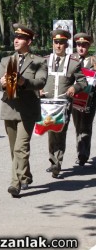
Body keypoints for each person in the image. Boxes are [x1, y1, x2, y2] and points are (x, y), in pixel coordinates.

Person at [0, 24, 47, 197]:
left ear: (29, 41)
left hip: (27, 110)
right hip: (9, 108)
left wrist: (25, 82)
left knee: (20, 148)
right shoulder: (6, 61)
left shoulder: (39, 61)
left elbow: (41, 82)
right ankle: (25, 175)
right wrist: (0, 83)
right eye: (15, 37)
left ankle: (14, 184)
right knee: (13, 149)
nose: (16, 40)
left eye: (21, 38)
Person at [40, 29, 86, 178]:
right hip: (47, 104)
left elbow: (82, 81)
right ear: (53, 43)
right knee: (51, 132)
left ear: (66, 44)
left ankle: (56, 163)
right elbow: (38, 79)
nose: (58, 45)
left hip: (63, 104)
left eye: (61, 42)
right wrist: (38, 89)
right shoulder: (44, 61)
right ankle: (53, 160)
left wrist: (74, 87)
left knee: (60, 132)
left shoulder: (74, 62)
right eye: (56, 42)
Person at [71, 32, 96, 167]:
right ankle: (81, 150)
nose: (81, 48)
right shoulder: (71, 60)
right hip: (74, 99)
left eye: (84, 45)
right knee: (77, 126)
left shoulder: (94, 61)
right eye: (79, 45)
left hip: (89, 99)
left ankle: (83, 154)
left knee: (85, 126)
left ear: (88, 46)